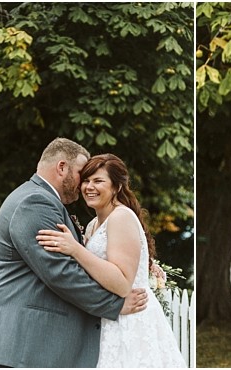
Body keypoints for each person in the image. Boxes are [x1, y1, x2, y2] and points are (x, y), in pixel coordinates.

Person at [0, 138, 148, 368]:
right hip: (14, 338)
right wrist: (113, 304)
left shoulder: (39, 198)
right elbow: (60, 271)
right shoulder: (35, 202)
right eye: (82, 175)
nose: (84, 184)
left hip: (19, 338)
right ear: (62, 167)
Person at [36, 153, 186, 368]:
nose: (89, 187)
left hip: (129, 321)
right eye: (86, 180)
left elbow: (123, 284)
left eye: (98, 181)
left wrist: (75, 249)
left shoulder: (121, 217)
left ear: (116, 187)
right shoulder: (93, 225)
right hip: (107, 317)